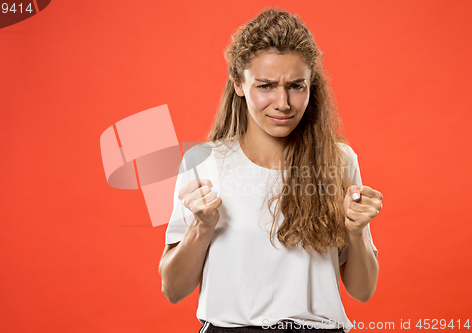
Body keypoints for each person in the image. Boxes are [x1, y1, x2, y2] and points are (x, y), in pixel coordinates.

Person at [158, 7, 383, 333]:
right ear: (238, 83)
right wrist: (202, 227)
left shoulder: (340, 160)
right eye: (265, 86)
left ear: (311, 85)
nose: (283, 103)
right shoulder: (203, 162)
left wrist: (356, 230)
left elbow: (362, 291)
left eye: (296, 85)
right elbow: (173, 289)